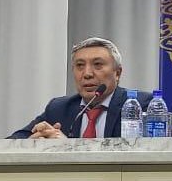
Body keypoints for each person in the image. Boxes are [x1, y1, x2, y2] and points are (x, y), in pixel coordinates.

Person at [9, 37, 153, 139]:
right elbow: (12, 142)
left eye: (97, 65)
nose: (87, 74)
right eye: (80, 66)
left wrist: (67, 148)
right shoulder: (59, 108)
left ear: (117, 73)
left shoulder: (141, 105)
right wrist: (36, 138)